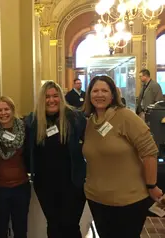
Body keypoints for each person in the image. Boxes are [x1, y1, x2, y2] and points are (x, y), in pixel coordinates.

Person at [83, 75, 163, 238]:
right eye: (95, 90)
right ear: (89, 95)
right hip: (97, 199)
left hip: (128, 201)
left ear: (113, 95)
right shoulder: (90, 122)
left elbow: (149, 152)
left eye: (104, 90)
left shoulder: (126, 117)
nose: (99, 95)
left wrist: (151, 185)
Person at [25, 81, 87, 237]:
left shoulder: (75, 118)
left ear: (61, 97)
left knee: (71, 225)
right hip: (45, 185)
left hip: (73, 184)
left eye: (55, 96)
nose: (51, 100)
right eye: (47, 96)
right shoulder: (33, 122)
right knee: (53, 225)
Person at [0, 96, 31, 238]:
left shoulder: (24, 129)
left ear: (13, 110)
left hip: (21, 188)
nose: (3, 113)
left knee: (20, 230)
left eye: (6, 109)